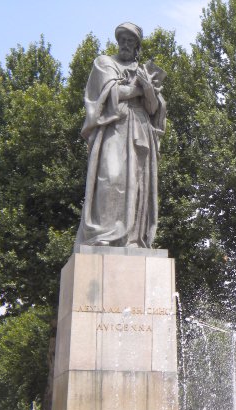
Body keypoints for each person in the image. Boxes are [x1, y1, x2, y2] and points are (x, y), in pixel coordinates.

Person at [75, 22, 166, 249]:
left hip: (140, 129)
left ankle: (132, 239)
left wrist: (148, 92)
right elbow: (111, 93)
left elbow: (154, 108)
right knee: (111, 176)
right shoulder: (105, 63)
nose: (125, 44)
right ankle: (103, 234)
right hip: (114, 126)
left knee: (137, 185)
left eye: (130, 40)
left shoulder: (144, 70)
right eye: (122, 39)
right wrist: (141, 88)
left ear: (137, 45)